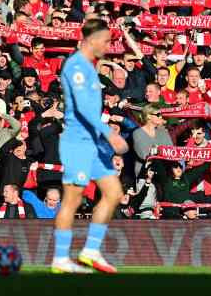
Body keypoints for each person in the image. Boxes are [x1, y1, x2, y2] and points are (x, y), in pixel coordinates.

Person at [51, 19, 129, 274]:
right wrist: (110, 134)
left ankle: (90, 251)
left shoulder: (90, 67)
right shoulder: (75, 66)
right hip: (77, 143)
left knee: (114, 193)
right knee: (72, 200)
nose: (108, 46)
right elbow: (83, 108)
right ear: (92, 39)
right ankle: (60, 259)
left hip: (92, 144)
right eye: (106, 41)